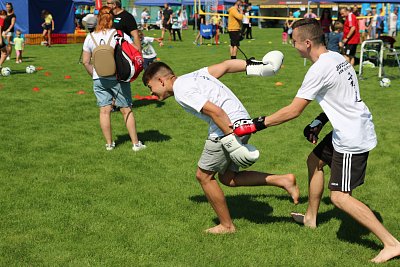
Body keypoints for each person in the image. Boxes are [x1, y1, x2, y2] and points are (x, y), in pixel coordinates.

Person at [233, 18, 400, 263]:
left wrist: (257, 124)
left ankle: (392, 243)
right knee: (314, 161)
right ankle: (310, 219)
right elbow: (344, 96)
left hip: (352, 137)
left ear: (308, 43)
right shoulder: (337, 58)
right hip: (350, 126)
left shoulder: (319, 69)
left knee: (340, 197)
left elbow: (293, 110)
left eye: (295, 42)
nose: (293, 46)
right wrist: (320, 121)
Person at [141, 54, 299, 234]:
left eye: (150, 87)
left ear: (160, 80)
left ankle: (227, 226)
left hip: (227, 128)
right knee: (228, 178)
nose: (151, 92)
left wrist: (232, 143)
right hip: (241, 121)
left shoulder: (181, 90)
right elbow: (226, 66)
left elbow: (215, 112)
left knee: (204, 176)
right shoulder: (194, 76)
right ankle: (283, 180)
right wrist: (257, 67)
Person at [82, 6, 146, 152]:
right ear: (111, 19)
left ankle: (109, 144)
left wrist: (94, 74)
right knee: (126, 110)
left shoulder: (90, 37)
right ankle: (136, 144)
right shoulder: (119, 34)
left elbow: (86, 61)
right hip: (118, 77)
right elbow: (133, 50)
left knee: (104, 111)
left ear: (98, 19)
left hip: (99, 78)